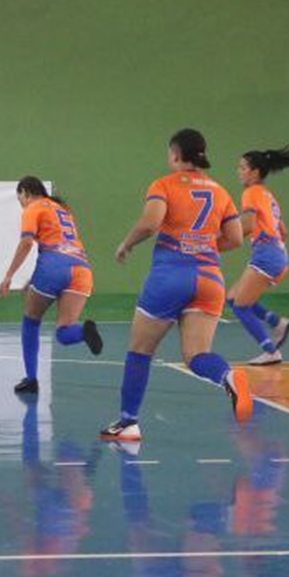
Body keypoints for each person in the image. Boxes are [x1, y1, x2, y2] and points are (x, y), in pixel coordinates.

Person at [100, 128, 253, 442]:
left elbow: (151, 222)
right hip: (210, 279)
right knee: (197, 355)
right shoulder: (221, 191)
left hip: (170, 275)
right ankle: (228, 375)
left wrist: (127, 243)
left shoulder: (164, 185)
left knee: (140, 352)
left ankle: (129, 423)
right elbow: (237, 238)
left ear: (174, 155)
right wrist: (203, 247)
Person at [0, 176, 103, 394]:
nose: (22, 204)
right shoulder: (62, 209)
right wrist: (34, 279)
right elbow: (60, 243)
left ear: (25, 192)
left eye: (21, 199)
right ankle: (84, 331)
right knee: (64, 332)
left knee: (31, 320)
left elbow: (28, 243)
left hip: (53, 266)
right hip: (82, 269)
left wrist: (9, 275)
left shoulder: (33, 207)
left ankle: (31, 379)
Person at [225, 146, 289, 365]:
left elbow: (248, 225)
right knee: (232, 298)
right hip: (276, 253)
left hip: (267, 255)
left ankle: (271, 351)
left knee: (241, 306)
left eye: (243, 168)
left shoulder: (251, 193)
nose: (239, 171)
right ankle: (277, 322)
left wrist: (221, 239)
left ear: (255, 172)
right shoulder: (268, 195)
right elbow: (284, 231)